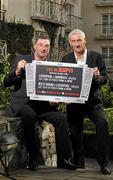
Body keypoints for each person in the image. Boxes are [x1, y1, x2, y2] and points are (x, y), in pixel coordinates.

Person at [4, 33, 76, 171]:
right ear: (34, 46)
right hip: (24, 104)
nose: (44, 48)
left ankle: (65, 159)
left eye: (47, 46)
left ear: (49, 48)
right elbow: (6, 82)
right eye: (41, 45)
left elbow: (54, 91)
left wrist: (55, 101)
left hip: (43, 106)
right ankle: (33, 158)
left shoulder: (51, 66)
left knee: (61, 118)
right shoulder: (22, 60)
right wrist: (18, 70)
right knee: (29, 115)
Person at [61, 29, 111, 174]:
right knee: (75, 133)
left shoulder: (97, 57)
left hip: (93, 103)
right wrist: (64, 98)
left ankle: (103, 163)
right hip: (74, 104)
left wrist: (97, 76)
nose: (77, 44)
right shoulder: (66, 59)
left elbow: (105, 78)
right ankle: (78, 161)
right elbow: (63, 82)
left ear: (84, 41)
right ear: (70, 43)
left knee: (102, 123)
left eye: (79, 41)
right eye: (74, 41)